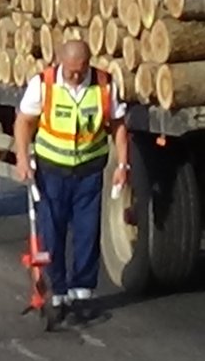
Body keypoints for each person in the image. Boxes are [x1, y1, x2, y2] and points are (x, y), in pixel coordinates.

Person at [12, 39, 127, 330]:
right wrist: (23, 159)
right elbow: (24, 122)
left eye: (81, 70)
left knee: (87, 233)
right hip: (52, 171)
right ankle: (57, 293)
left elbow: (118, 125)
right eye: (71, 71)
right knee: (53, 232)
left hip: (89, 171)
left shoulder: (103, 85)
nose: (76, 76)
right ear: (61, 62)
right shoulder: (44, 84)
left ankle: (82, 294)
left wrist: (123, 165)